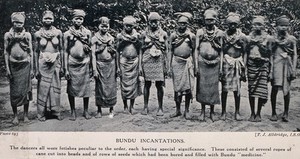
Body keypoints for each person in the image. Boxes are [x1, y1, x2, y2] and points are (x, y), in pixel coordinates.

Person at [4, 12, 34, 125]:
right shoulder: (8, 35)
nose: (18, 25)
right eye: (16, 22)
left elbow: (30, 52)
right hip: (13, 66)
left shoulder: (27, 35)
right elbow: (6, 52)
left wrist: (32, 69)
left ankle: (25, 115)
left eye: (20, 22)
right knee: (14, 92)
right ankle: (15, 115)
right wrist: (7, 68)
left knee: (26, 91)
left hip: (25, 65)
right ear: (12, 22)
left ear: (23, 23)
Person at [34, 10, 64, 121]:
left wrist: (63, 66)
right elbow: (35, 52)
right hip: (43, 63)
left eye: (50, 18)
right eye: (46, 18)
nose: (48, 20)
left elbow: (61, 49)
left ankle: (56, 111)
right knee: (43, 87)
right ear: (42, 19)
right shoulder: (37, 34)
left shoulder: (58, 33)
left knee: (55, 86)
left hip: (55, 62)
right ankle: (42, 113)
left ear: (53, 19)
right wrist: (36, 69)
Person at [194, 9, 224, 122]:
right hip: (202, 63)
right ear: (204, 20)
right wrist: (196, 65)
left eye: (212, 20)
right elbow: (196, 49)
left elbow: (221, 51)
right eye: (207, 20)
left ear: (215, 20)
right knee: (202, 87)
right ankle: (202, 111)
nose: (210, 22)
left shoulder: (220, 33)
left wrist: (221, 67)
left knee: (213, 88)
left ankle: (212, 111)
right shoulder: (200, 32)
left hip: (215, 63)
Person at [64, 9, 92, 121]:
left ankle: (86, 110)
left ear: (83, 20)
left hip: (84, 62)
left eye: (80, 19)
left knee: (86, 88)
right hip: (72, 63)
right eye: (76, 18)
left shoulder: (87, 33)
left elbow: (89, 49)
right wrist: (65, 69)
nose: (78, 21)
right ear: (72, 19)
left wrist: (87, 48)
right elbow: (65, 51)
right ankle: (73, 111)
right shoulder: (67, 34)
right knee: (71, 88)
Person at [269, 15, 298, 122]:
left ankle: (286, 112)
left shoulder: (292, 39)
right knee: (275, 88)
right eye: (281, 25)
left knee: (286, 89)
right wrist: (271, 69)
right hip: (276, 64)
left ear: (289, 26)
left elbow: (295, 54)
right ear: (276, 26)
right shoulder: (272, 39)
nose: (283, 28)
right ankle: (273, 112)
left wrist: (293, 68)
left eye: (286, 26)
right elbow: (270, 54)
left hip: (287, 64)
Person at [244, 16, 272, 122]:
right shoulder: (248, 38)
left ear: (264, 26)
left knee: (261, 90)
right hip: (251, 65)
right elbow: (246, 52)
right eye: (255, 24)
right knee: (251, 89)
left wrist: (270, 69)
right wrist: (244, 67)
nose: (257, 26)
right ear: (252, 25)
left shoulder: (268, 38)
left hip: (263, 65)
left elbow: (269, 54)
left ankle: (258, 113)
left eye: (259, 24)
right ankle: (252, 113)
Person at [140, 12, 168, 116]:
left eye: (155, 22)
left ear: (159, 22)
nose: (153, 24)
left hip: (159, 59)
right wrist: (140, 65)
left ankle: (160, 108)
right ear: (148, 22)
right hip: (147, 59)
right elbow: (140, 49)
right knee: (147, 84)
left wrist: (166, 65)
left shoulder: (163, 34)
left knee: (159, 84)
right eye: (151, 22)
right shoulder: (144, 34)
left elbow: (166, 50)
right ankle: (145, 107)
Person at [220, 13, 247, 121]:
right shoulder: (223, 35)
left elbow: (245, 52)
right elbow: (221, 51)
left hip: (237, 63)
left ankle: (237, 111)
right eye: (230, 24)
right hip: (226, 62)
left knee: (237, 89)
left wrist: (244, 67)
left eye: (235, 24)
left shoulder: (242, 36)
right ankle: (223, 112)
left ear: (238, 24)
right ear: (227, 24)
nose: (232, 26)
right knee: (224, 89)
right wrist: (221, 66)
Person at [169, 12, 195, 119]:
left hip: (187, 62)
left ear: (187, 24)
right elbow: (170, 50)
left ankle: (187, 110)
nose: (182, 26)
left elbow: (194, 50)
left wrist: (194, 64)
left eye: (184, 24)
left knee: (187, 87)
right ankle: (178, 109)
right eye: (180, 23)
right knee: (177, 87)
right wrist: (169, 64)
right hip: (176, 62)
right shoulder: (173, 36)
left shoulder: (191, 36)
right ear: (177, 24)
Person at [91, 17, 117, 118]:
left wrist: (112, 52)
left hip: (110, 65)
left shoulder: (111, 38)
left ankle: (111, 109)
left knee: (111, 87)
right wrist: (94, 69)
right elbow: (92, 54)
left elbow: (114, 54)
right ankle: (99, 110)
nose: (105, 28)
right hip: (99, 65)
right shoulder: (94, 38)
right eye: (102, 26)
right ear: (98, 26)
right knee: (99, 87)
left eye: (107, 26)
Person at [116, 16, 142, 114]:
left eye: (130, 26)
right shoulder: (120, 36)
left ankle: (132, 106)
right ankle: (125, 106)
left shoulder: (137, 36)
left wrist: (139, 66)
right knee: (124, 85)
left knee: (133, 85)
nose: (128, 28)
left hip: (134, 62)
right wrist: (118, 66)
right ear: (124, 25)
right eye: (127, 26)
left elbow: (140, 50)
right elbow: (117, 51)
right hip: (124, 62)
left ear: (133, 25)